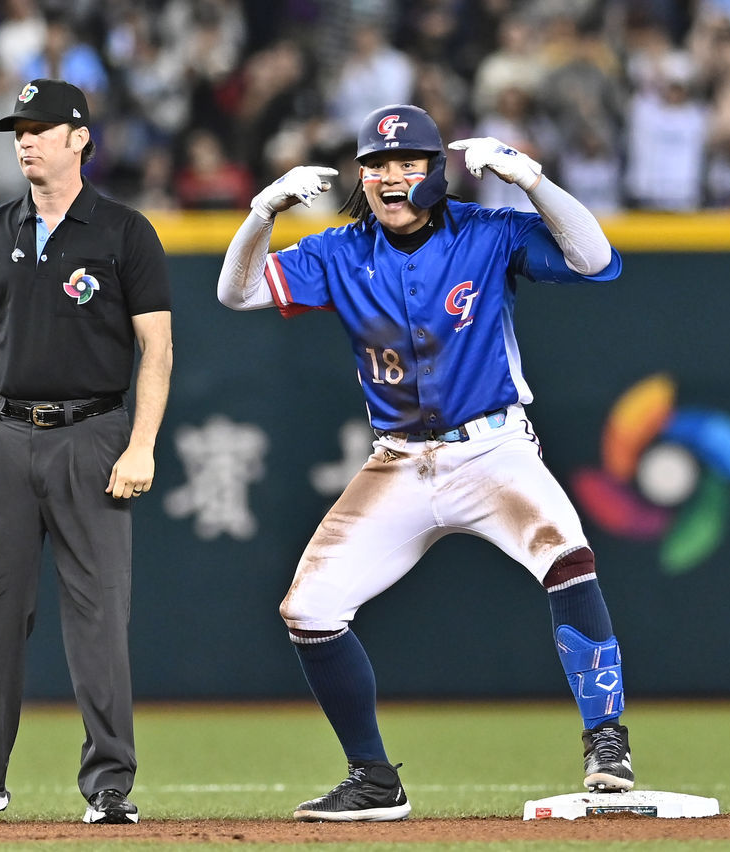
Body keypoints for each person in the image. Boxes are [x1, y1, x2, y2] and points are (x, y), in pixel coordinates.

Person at [217, 103, 632, 822]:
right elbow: (238, 291)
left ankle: (606, 739)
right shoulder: (341, 251)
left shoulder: (486, 232)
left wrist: (531, 178)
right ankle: (374, 779)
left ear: (437, 171)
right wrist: (263, 213)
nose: (390, 176)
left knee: (566, 558)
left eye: (408, 161)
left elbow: (592, 258)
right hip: (399, 461)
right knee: (309, 610)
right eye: (376, 164)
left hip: (493, 448)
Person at [0, 78, 172, 826]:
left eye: (41, 126)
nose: (25, 139)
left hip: (93, 436)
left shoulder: (125, 231)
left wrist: (142, 443)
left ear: (79, 137)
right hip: (4, 436)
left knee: (98, 617)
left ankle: (109, 786)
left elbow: (157, 346)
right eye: (17, 128)